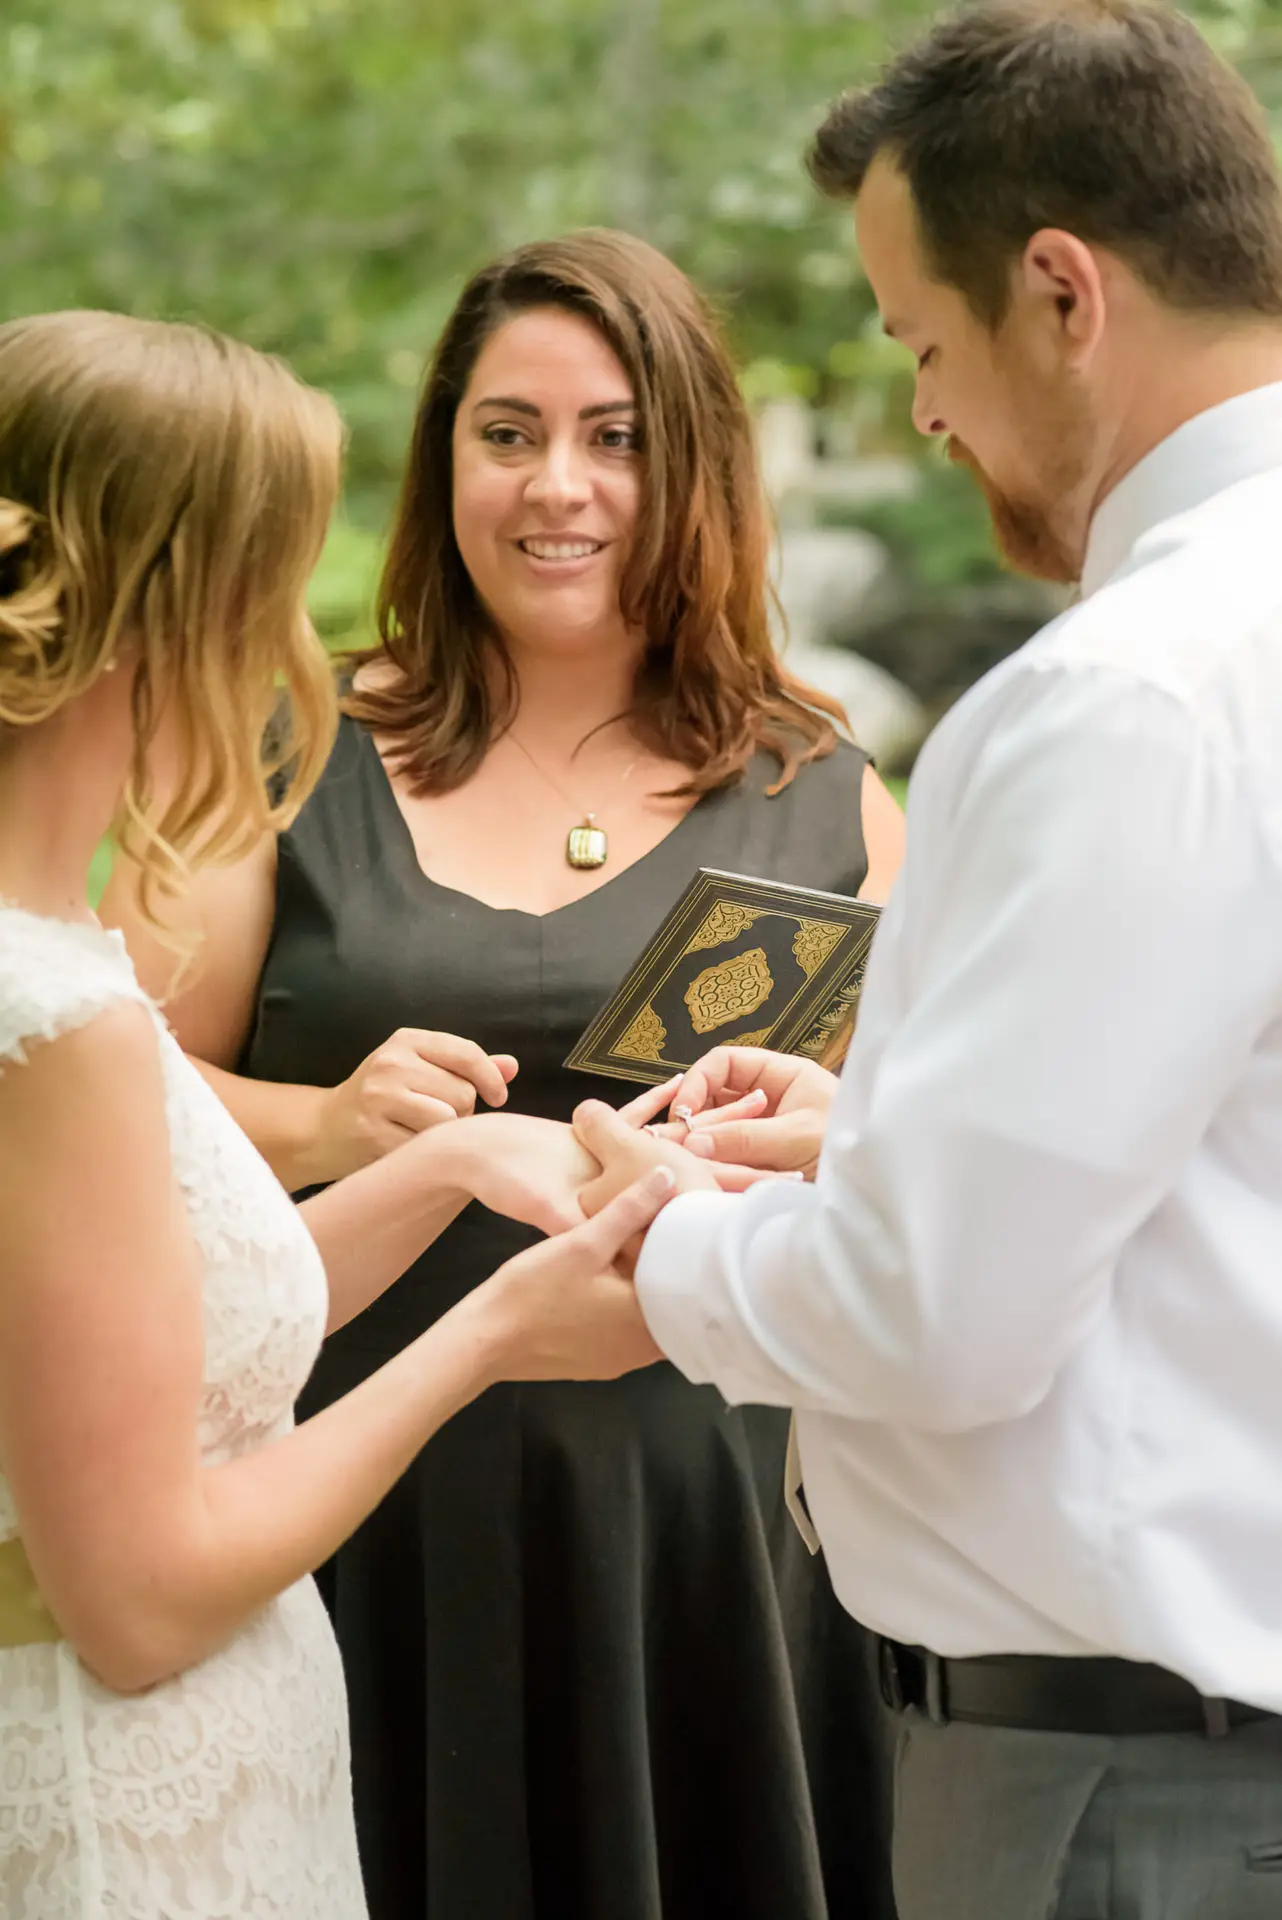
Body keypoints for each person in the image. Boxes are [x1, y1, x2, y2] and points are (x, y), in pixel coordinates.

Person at [570, 6, 1282, 1918]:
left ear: (1061, 292)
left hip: (1135, 1797)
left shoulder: (1128, 695)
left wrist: (663, 1239)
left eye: (920, 344)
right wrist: (875, 1127)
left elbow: (934, 1320)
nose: (925, 415)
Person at [103, 228, 905, 1920]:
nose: (561, 486)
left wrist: (801, 1145)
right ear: (443, 457)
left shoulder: (826, 785)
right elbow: (103, 1098)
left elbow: (912, 1163)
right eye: (507, 432)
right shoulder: (281, 744)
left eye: (615, 436)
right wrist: (320, 1121)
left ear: (692, 464)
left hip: (707, 1554)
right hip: (345, 1498)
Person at [0, 305, 688, 1920]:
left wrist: (449, 1167)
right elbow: (144, 1597)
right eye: (267, 588)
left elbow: (165, 1350)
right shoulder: (60, 1023)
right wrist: (495, 1336)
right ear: (167, 612)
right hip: (132, 1827)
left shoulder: (56, 954)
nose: (291, 650)